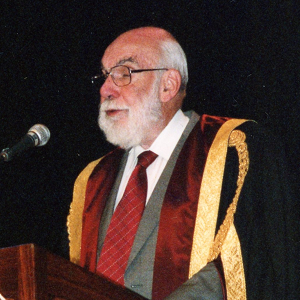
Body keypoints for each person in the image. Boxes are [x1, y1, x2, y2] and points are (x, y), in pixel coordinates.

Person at [67, 27, 299, 300]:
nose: (106, 89)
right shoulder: (93, 179)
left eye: (123, 73)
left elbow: (247, 265)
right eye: (105, 76)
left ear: (168, 85)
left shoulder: (235, 150)